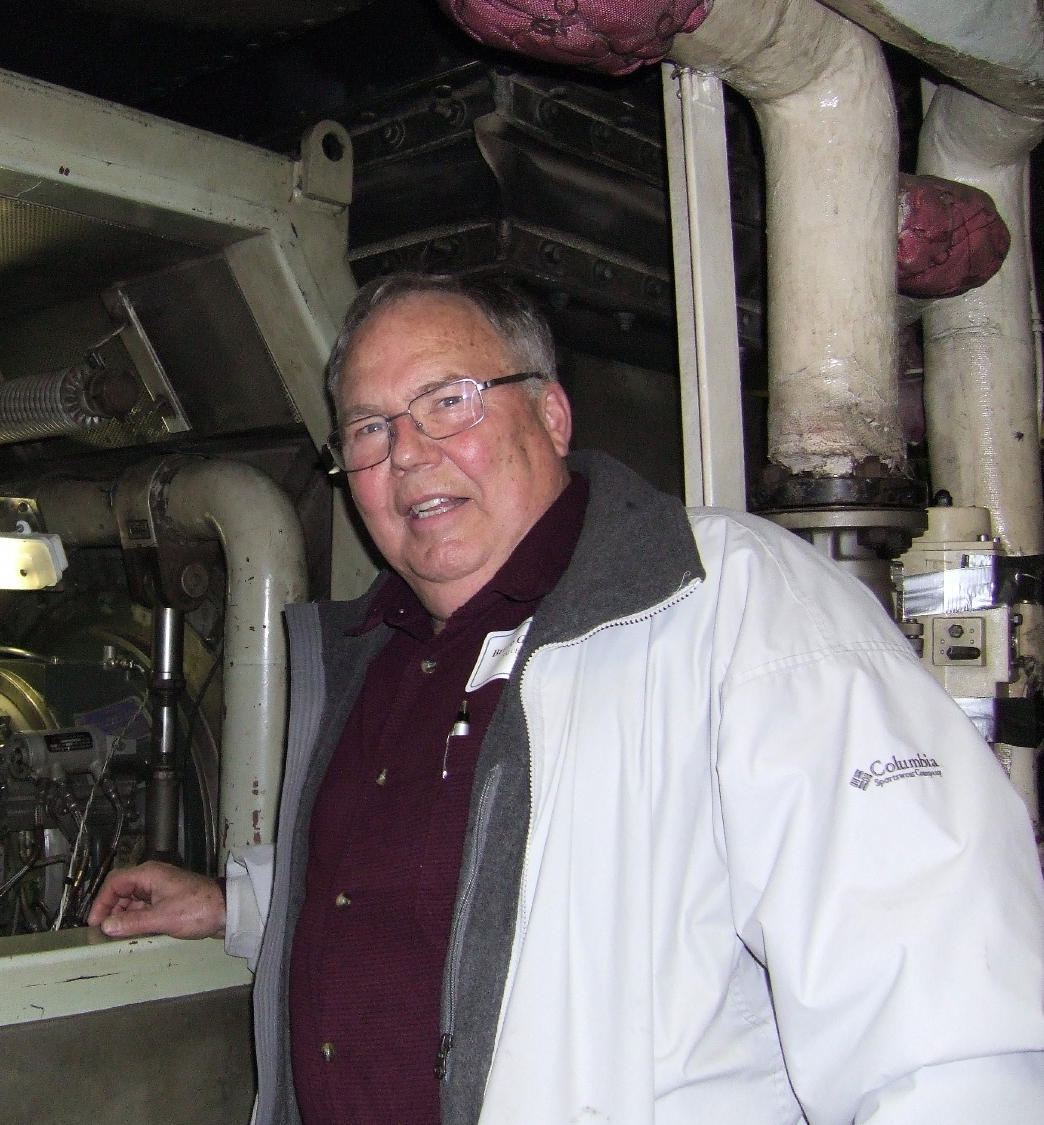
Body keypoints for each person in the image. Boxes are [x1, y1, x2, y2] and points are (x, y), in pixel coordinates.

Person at [89, 272, 1044, 1123]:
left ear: (550, 416)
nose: (409, 453)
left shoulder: (732, 602)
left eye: (448, 402)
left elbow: (945, 1025)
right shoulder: (374, 656)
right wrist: (241, 903)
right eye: (370, 429)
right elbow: (452, 897)